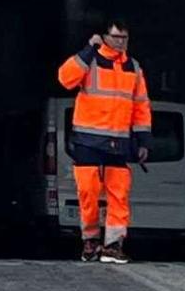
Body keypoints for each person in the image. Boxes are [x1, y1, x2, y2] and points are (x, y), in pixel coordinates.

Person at [55, 19, 152, 263]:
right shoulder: (91, 60)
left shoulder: (134, 67)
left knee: (119, 195)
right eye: (117, 37)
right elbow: (65, 78)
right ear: (105, 37)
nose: (121, 43)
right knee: (87, 192)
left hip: (118, 142)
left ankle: (112, 245)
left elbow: (141, 106)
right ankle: (90, 241)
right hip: (88, 140)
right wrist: (88, 50)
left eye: (125, 38)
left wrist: (143, 141)